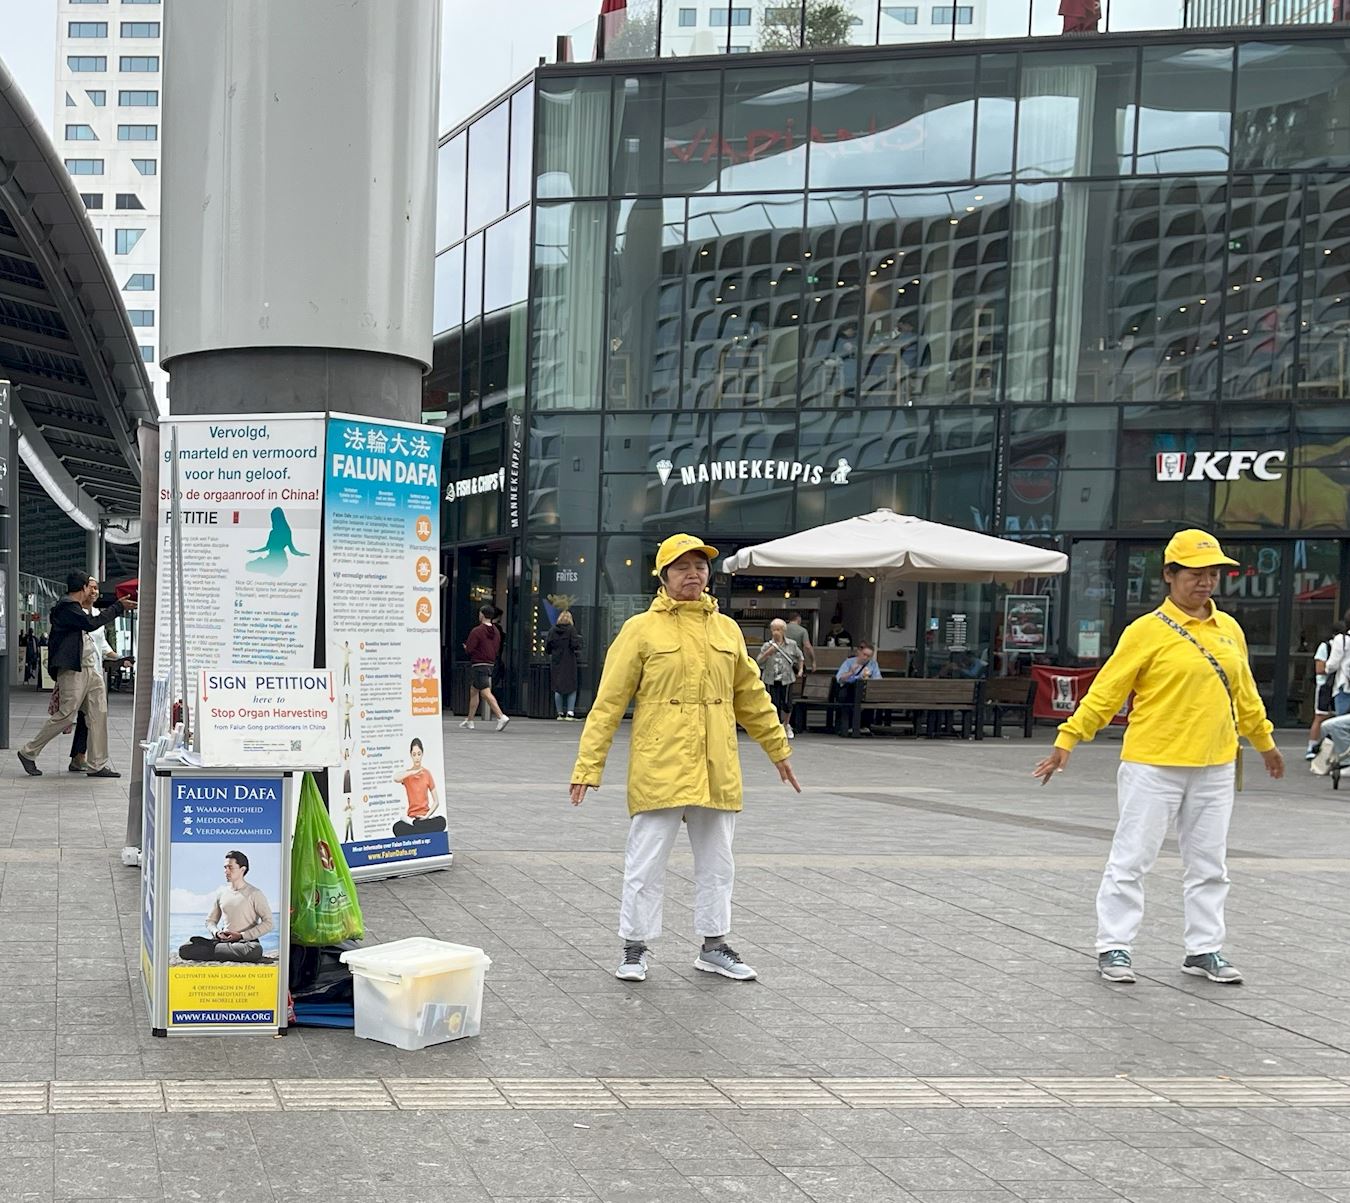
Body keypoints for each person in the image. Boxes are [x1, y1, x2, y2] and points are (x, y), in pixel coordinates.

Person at [1033, 530, 1283, 987]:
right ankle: (1114, 945)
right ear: (1169, 574)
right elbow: (1107, 691)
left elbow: (1245, 694)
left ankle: (1204, 949)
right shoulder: (1146, 631)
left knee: (1210, 865)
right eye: (1195, 574)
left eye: (1212, 574)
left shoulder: (1229, 630)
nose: (1205, 583)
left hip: (1215, 765)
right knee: (1131, 859)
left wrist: (1264, 743)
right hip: (1153, 765)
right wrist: (1068, 738)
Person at [569, 533, 801, 984]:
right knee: (645, 862)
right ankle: (634, 947)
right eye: (682, 567)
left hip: (716, 765)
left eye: (700, 566)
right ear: (663, 576)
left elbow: (751, 696)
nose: (693, 574)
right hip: (661, 763)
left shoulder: (727, 630)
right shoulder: (640, 630)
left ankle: (714, 946)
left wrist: (778, 749)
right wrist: (588, 766)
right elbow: (608, 704)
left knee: (719, 864)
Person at [17, 572, 135, 778]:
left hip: (91, 669)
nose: (94, 591)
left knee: (99, 714)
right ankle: (28, 752)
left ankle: (97, 764)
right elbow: (90, 623)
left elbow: (95, 633)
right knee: (66, 715)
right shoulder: (66, 607)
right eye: (91, 587)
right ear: (83, 588)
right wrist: (118, 607)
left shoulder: (79, 608)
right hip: (73, 670)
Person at [178, 850, 274, 963]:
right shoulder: (222, 893)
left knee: (254, 950)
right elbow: (210, 921)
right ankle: (221, 950)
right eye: (225, 867)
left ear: (242, 869)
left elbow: (268, 923)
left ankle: (215, 950)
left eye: (230, 867)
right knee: (185, 949)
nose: (226, 871)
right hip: (223, 941)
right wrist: (217, 932)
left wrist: (241, 935)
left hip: (245, 942)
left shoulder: (255, 893)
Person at [461, 605, 509, 732]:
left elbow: (470, 649)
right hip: (490, 664)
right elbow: (497, 647)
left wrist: (466, 648)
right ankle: (470, 720)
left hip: (479, 664)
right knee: (474, 690)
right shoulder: (496, 631)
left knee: (485, 692)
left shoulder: (477, 631)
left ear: (482, 615)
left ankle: (500, 716)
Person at [757, 618, 804, 740]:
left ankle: (786, 724)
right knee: (774, 704)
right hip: (770, 678)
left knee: (787, 703)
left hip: (786, 678)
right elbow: (759, 661)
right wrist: (768, 653)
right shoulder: (767, 645)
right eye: (774, 630)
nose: (776, 632)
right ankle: (776, 726)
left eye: (778, 629)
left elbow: (800, 656)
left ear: (783, 631)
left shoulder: (791, 644)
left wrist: (800, 669)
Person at [392, 737, 446, 835]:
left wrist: (426, 816)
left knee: (442, 821)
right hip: (412, 819)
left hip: (425, 818)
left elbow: (436, 801)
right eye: (414, 754)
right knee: (397, 827)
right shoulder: (407, 775)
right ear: (411, 755)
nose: (417, 757)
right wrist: (412, 772)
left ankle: (418, 828)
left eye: (419, 754)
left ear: (422, 754)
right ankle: (419, 827)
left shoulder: (427, 773)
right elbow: (395, 778)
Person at [834, 640, 881, 734]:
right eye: (864, 654)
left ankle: (864, 725)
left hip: (865, 691)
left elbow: (878, 679)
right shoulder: (849, 662)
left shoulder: (873, 664)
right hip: (849, 690)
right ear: (859, 652)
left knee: (869, 696)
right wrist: (851, 672)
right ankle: (849, 725)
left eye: (869, 656)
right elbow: (840, 678)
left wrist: (869, 678)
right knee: (850, 697)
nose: (866, 657)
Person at [246, 506, 308, 576]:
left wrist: (255, 551)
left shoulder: (274, 532)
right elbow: (293, 551)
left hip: (275, 560)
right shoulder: (287, 531)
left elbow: (267, 547)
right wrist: (301, 554)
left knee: (248, 566)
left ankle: (268, 568)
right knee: (250, 566)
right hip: (281, 562)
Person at [546, 610, 583, 720]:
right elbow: (575, 644)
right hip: (569, 661)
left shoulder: (552, 630)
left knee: (558, 687)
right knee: (572, 686)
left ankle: (560, 713)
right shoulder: (571, 630)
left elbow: (547, 647)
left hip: (556, 661)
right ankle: (570, 713)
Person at [1308, 632, 1334, 760]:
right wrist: (1334, 667)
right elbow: (1319, 669)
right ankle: (1312, 747)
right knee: (1320, 716)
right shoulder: (1326, 647)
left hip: (1339, 687)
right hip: (1325, 686)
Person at [1324, 610, 1350, 717]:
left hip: (1345, 684)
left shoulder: (1341, 639)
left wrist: (1326, 669)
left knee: (1342, 721)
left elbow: (1333, 664)